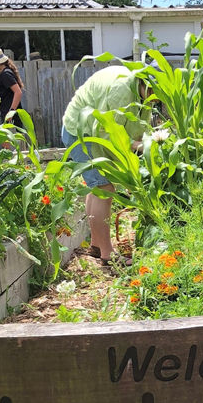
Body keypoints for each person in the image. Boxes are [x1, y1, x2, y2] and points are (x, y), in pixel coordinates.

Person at [60, 62, 153, 266]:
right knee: (104, 187)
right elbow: (107, 132)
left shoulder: (140, 93)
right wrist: (137, 146)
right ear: (144, 82)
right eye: (153, 89)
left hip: (89, 132)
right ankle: (107, 254)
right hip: (81, 132)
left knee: (97, 187)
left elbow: (136, 128)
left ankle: (96, 244)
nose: (155, 96)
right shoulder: (121, 90)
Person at [0, 48, 23, 127]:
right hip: (7, 116)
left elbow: (18, 92)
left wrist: (11, 112)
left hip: (12, 118)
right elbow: (6, 96)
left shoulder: (6, 74)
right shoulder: (3, 74)